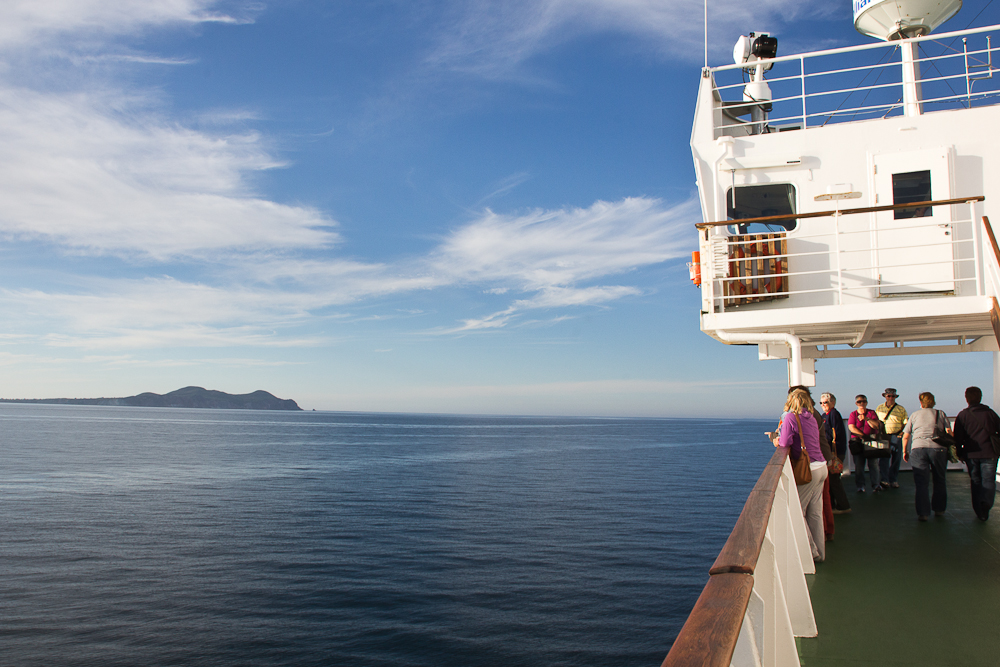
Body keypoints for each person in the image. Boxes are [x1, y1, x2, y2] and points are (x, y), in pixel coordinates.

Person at [777, 389, 829, 562]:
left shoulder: (791, 417)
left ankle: (812, 551)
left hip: (810, 470)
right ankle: (820, 553)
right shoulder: (812, 417)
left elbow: (784, 442)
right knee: (815, 513)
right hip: (822, 466)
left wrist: (777, 440)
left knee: (796, 511)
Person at [953, 386, 1000, 522]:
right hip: (990, 452)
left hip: (971, 454)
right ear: (980, 397)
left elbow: (958, 437)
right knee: (989, 480)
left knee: (975, 481)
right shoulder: (990, 413)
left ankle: (979, 511)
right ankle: (986, 504)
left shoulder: (963, 415)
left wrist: (960, 453)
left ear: (966, 398)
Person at [902, 392, 950, 521]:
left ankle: (923, 513)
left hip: (918, 448)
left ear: (921, 402)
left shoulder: (915, 415)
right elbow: (949, 432)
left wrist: (904, 451)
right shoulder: (940, 414)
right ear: (933, 401)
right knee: (939, 479)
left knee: (921, 482)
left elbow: (906, 435)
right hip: (938, 449)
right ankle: (939, 509)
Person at [820, 393, 850, 514]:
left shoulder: (833, 414)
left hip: (834, 452)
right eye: (821, 403)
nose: (823, 405)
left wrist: (833, 453)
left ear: (832, 402)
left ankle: (844, 506)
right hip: (830, 452)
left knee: (834, 480)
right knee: (830, 479)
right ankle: (832, 505)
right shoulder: (824, 415)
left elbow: (836, 434)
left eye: (825, 402)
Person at [848, 394, 882, 493]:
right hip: (858, 443)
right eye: (859, 402)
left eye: (863, 401)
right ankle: (860, 486)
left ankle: (876, 485)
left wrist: (867, 419)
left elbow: (876, 426)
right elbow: (851, 427)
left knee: (874, 464)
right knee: (859, 465)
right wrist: (863, 436)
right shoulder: (853, 414)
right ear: (856, 403)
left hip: (871, 443)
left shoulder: (871, 413)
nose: (861, 403)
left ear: (866, 402)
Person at [876, 388, 908, 489]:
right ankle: (884, 480)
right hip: (884, 436)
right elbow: (876, 422)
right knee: (884, 459)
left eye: (892, 396)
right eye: (888, 396)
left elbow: (905, 423)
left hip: (896, 435)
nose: (890, 398)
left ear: (895, 397)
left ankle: (893, 479)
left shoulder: (901, 409)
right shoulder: (879, 408)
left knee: (896, 459)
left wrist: (901, 433)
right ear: (885, 396)